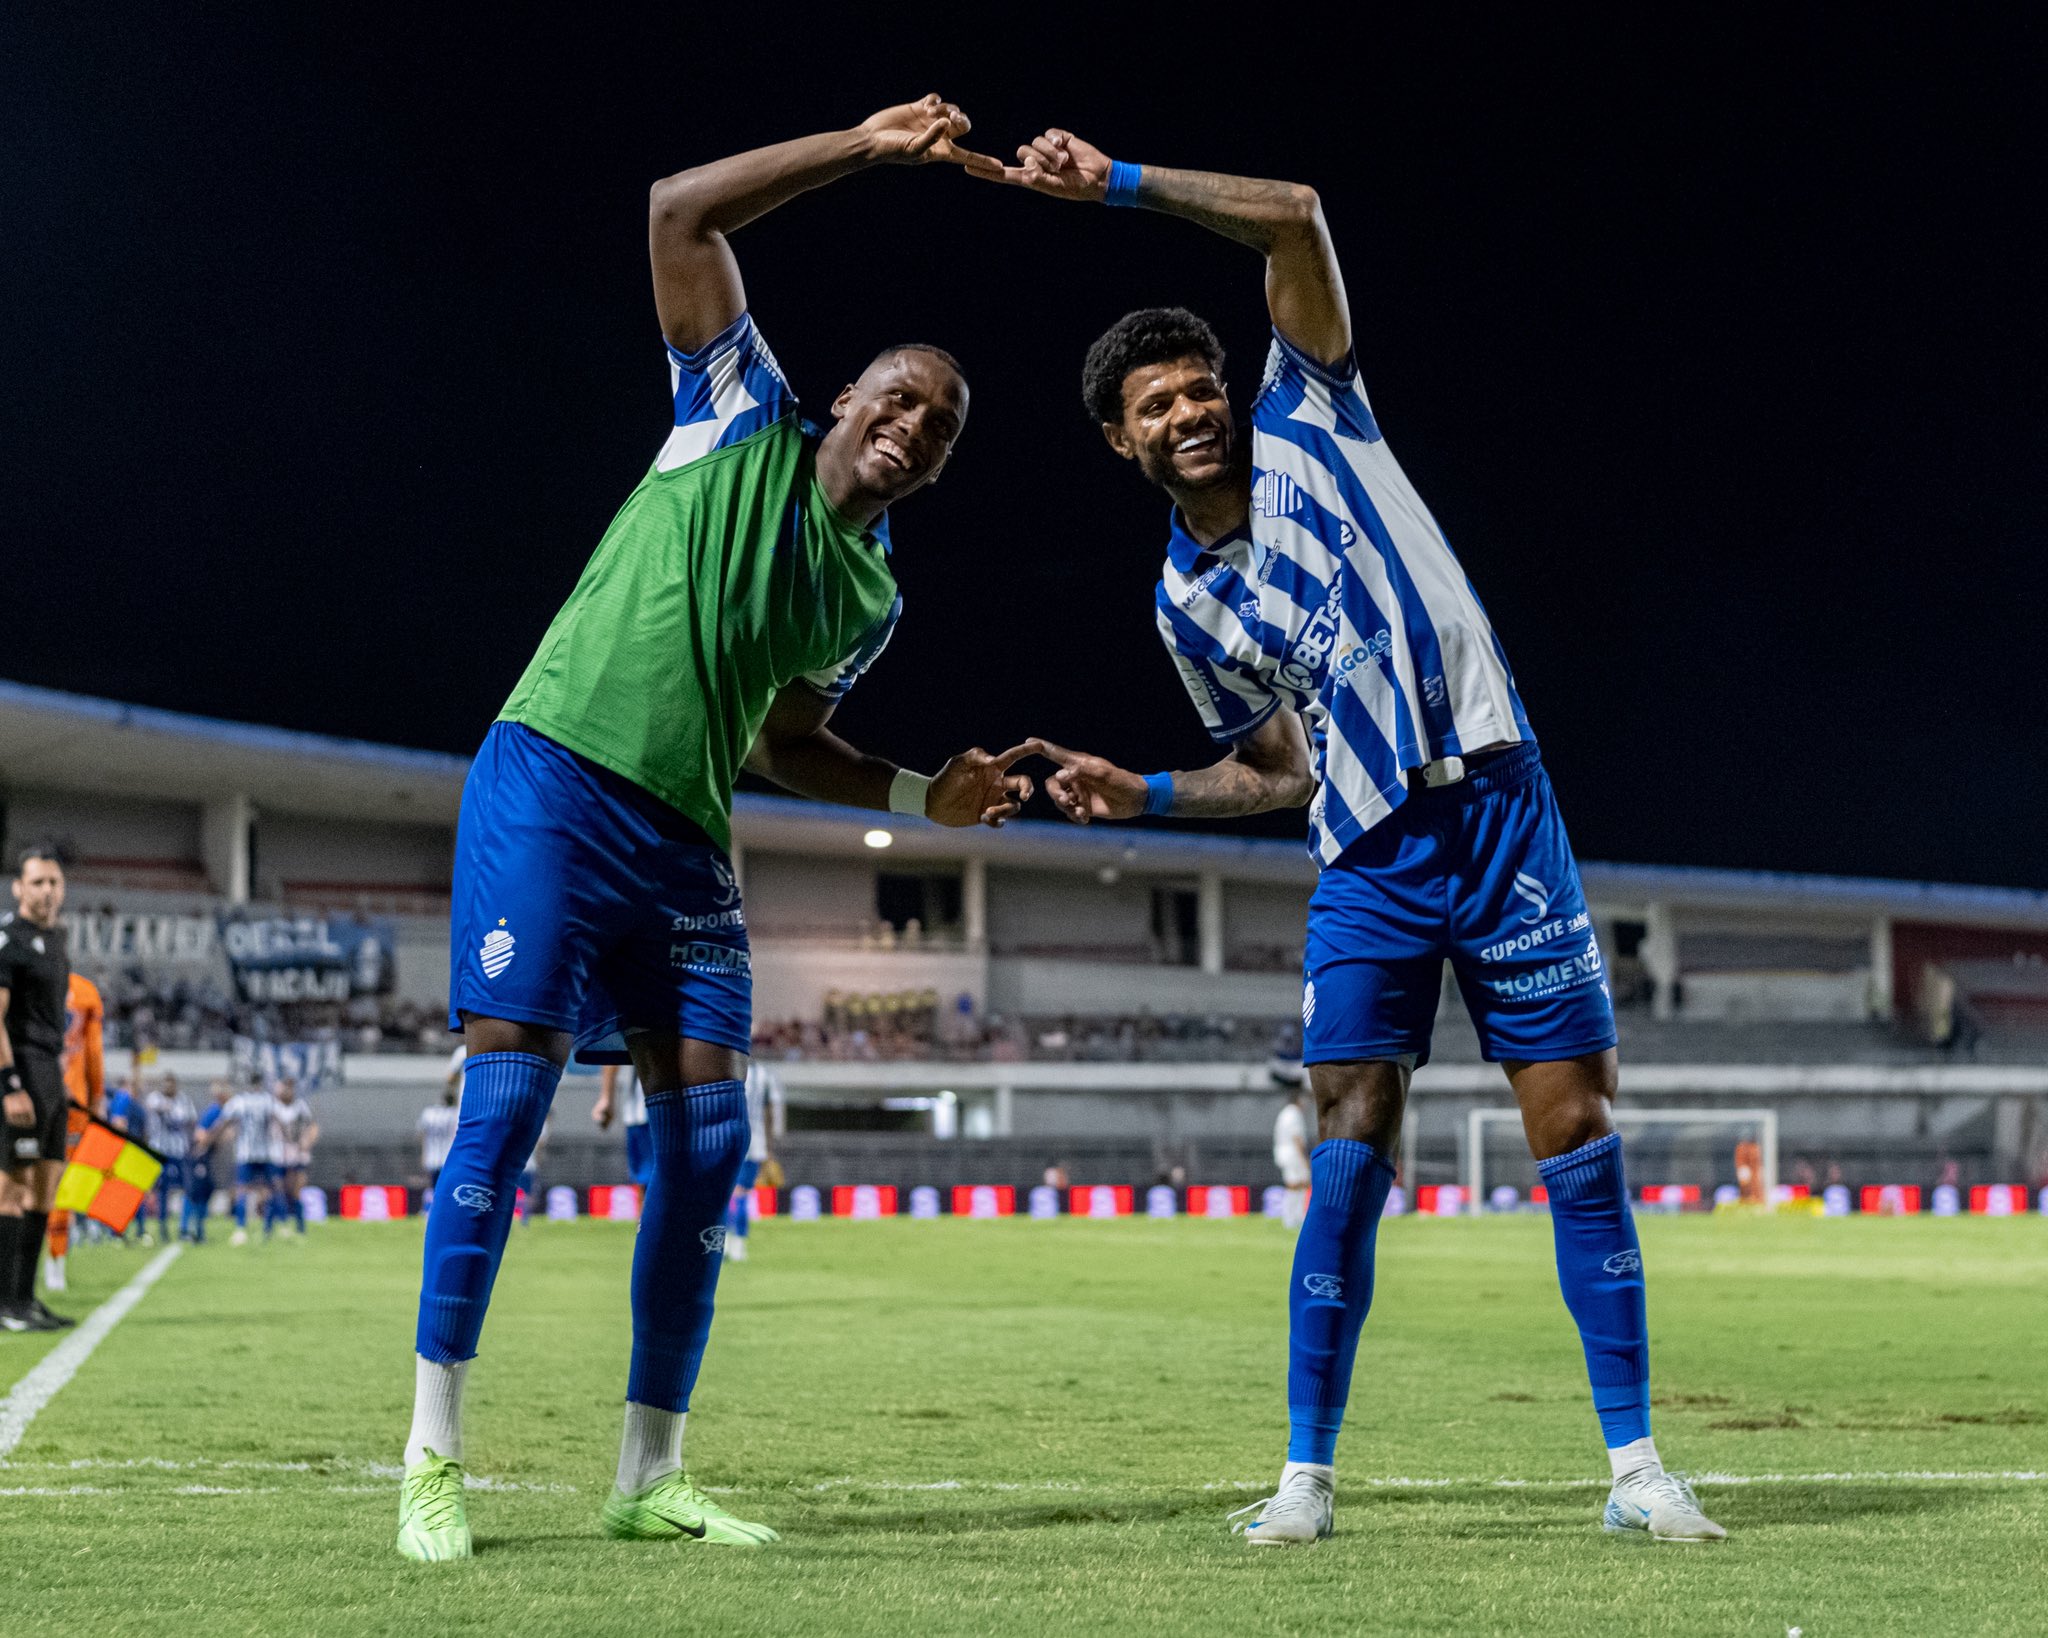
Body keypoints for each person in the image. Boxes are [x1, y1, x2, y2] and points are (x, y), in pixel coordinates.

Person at [978, 130, 1722, 1545]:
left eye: (1198, 385)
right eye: (1155, 403)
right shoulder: (1184, 606)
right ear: (1121, 441)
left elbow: (1296, 216)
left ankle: (1636, 1469)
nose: (1189, 410)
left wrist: (1118, 185)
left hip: (1500, 808)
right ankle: (1306, 1479)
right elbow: (1276, 768)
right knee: (1347, 1141)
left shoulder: (1315, 411)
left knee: (1575, 1126)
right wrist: (1139, 793)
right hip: (1368, 855)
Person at [396, 94, 1037, 1563]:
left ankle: (649, 1474)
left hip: (685, 842)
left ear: (938, 468)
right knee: (505, 1109)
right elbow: (677, 207)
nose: (913, 424)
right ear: (848, 398)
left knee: (705, 1145)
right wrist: (865, 151)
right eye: (899, 396)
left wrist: (917, 796)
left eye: (939, 426)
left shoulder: (869, 598)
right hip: (553, 779)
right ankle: (432, 1456)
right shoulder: (737, 409)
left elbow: (784, 744)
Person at [0, 845, 77, 1330]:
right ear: (18, 888)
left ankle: (24, 1300)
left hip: (50, 1074)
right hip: (21, 1071)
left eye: (54, 882)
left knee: (45, 1190)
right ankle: (4, 1305)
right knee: (12, 1189)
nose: (47, 890)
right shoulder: (8, 941)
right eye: (37, 882)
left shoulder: (57, 940)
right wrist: (10, 1084)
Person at [47, 970, 107, 1291]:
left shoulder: (20, 975)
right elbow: (94, 1051)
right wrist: (97, 1096)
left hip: (31, 1093)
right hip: (72, 1102)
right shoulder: (84, 992)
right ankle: (55, 1259)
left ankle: (20, 1270)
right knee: (61, 1185)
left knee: (20, 1184)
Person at [723, 1060, 782, 1263]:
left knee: (727, 1194)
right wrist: (769, 1148)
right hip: (755, 1143)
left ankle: (725, 1243)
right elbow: (770, 1113)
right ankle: (738, 1245)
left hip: (729, 1140)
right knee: (741, 1195)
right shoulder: (764, 1075)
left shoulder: (729, 1070)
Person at [209, 1082, 280, 1247]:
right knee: (267, 1190)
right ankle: (267, 1228)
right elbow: (277, 1121)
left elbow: (223, 1122)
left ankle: (242, 1228)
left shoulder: (240, 1101)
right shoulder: (268, 1100)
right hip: (264, 1153)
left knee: (244, 1190)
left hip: (247, 1154)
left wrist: (210, 1139)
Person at [146, 1072, 199, 1244]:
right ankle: (162, 1227)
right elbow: (155, 1106)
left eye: (171, 1083)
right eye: (166, 1083)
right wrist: (171, 1109)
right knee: (161, 1190)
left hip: (179, 1152)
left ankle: (184, 1228)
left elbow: (190, 1119)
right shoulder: (155, 1097)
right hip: (160, 1151)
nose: (168, 1087)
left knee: (188, 1188)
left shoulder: (184, 1100)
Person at [592, 1063, 653, 1189]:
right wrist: (606, 1097)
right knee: (648, 1182)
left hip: (676, 1106)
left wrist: (607, 1097)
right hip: (643, 1110)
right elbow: (611, 1052)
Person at [270, 1080, 318, 1238]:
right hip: (278, 1156)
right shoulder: (272, 1107)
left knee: (296, 1191)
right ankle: (271, 1228)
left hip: (297, 1156)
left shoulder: (300, 1107)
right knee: (277, 1190)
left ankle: (300, 1228)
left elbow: (313, 1127)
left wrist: (307, 1143)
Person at [188, 1081, 233, 1244]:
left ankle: (198, 1230)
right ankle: (191, 1229)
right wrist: (215, 1137)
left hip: (209, 1158)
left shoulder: (222, 1112)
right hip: (201, 1157)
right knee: (198, 1194)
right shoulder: (215, 1112)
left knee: (206, 1192)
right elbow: (200, 1136)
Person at [1273, 1088, 1312, 1233]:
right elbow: (1297, 1138)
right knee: (1297, 1184)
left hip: (1284, 1152)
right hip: (1293, 1154)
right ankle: (1292, 1218)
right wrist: (1304, 1158)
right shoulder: (1294, 1114)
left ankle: (1294, 1217)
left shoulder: (1285, 1113)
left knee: (1297, 1184)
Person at [418, 1085, 461, 1199]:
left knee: (433, 1187)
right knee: (447, 1188)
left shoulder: (429, 1113)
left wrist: (423, 1154)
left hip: (431, 1157)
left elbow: (421, 1134)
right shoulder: (455, 1114)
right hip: (449, 1158)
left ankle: (431, 1204)